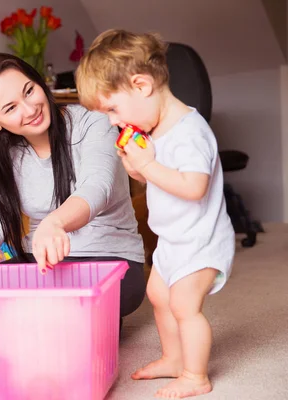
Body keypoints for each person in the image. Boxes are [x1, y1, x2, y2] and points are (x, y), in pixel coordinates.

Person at [75, 29, 235, 399]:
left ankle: (196, 376)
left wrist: (147, 165)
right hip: (172, 238)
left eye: (112, 108)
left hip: (200, 239)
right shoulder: (155, 131)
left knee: (183, 305)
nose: (113, 121)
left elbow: (193, 187)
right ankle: (174, 358)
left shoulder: (190, 131)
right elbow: (163, 183)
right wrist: (139, 170)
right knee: (158, 295)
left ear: (142, 85)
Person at [0, 52, 146, 320]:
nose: (30, 109)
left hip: (110, 261)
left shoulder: (92, 121)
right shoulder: (3, 156)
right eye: (10, 108)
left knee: (53, 314)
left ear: (39, 83)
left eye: (29, 91)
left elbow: (97, 188)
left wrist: (54, 223)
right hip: (40, 265)